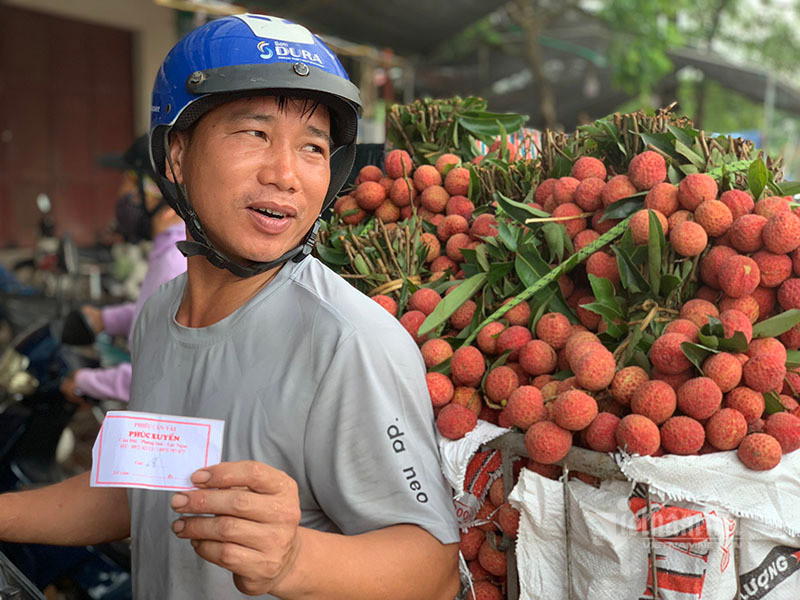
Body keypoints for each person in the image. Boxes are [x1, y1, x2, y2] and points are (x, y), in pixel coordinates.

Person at [1, 13, 461, 599]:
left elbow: (435, 568)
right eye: (255, 134)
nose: (286, 175)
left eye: (314, 147)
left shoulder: (348, 340)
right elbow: (137, 492)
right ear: (175, 155)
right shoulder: (159, 316)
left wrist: (294, 559)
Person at [60, 135, 187, 404]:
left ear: (166, 203)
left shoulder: (175, 263)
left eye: (131, 183)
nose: (121, 194)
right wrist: (107, 319)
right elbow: (158, 313)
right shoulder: (171, 252)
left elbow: (155, 376)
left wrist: (85, 380)